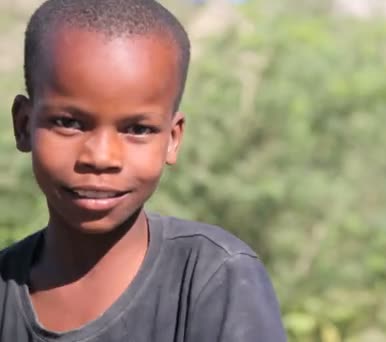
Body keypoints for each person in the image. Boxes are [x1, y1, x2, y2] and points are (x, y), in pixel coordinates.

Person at [0, 0, 287, 341]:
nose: (102, 157)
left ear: (172, 139)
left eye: (137, 129)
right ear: (23, 125)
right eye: (69, 123)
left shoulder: (213, 278)